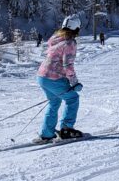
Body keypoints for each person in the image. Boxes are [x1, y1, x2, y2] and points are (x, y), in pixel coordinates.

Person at [34, 15, 84, 144]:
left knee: (54, 102)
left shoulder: (57, 38)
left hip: (42, 76)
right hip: (53, 78)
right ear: (76, 28)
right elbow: (68, 64)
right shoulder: (69, 42)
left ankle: (47, 133)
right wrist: (74, 82)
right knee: (73, 98)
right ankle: (66, 129)